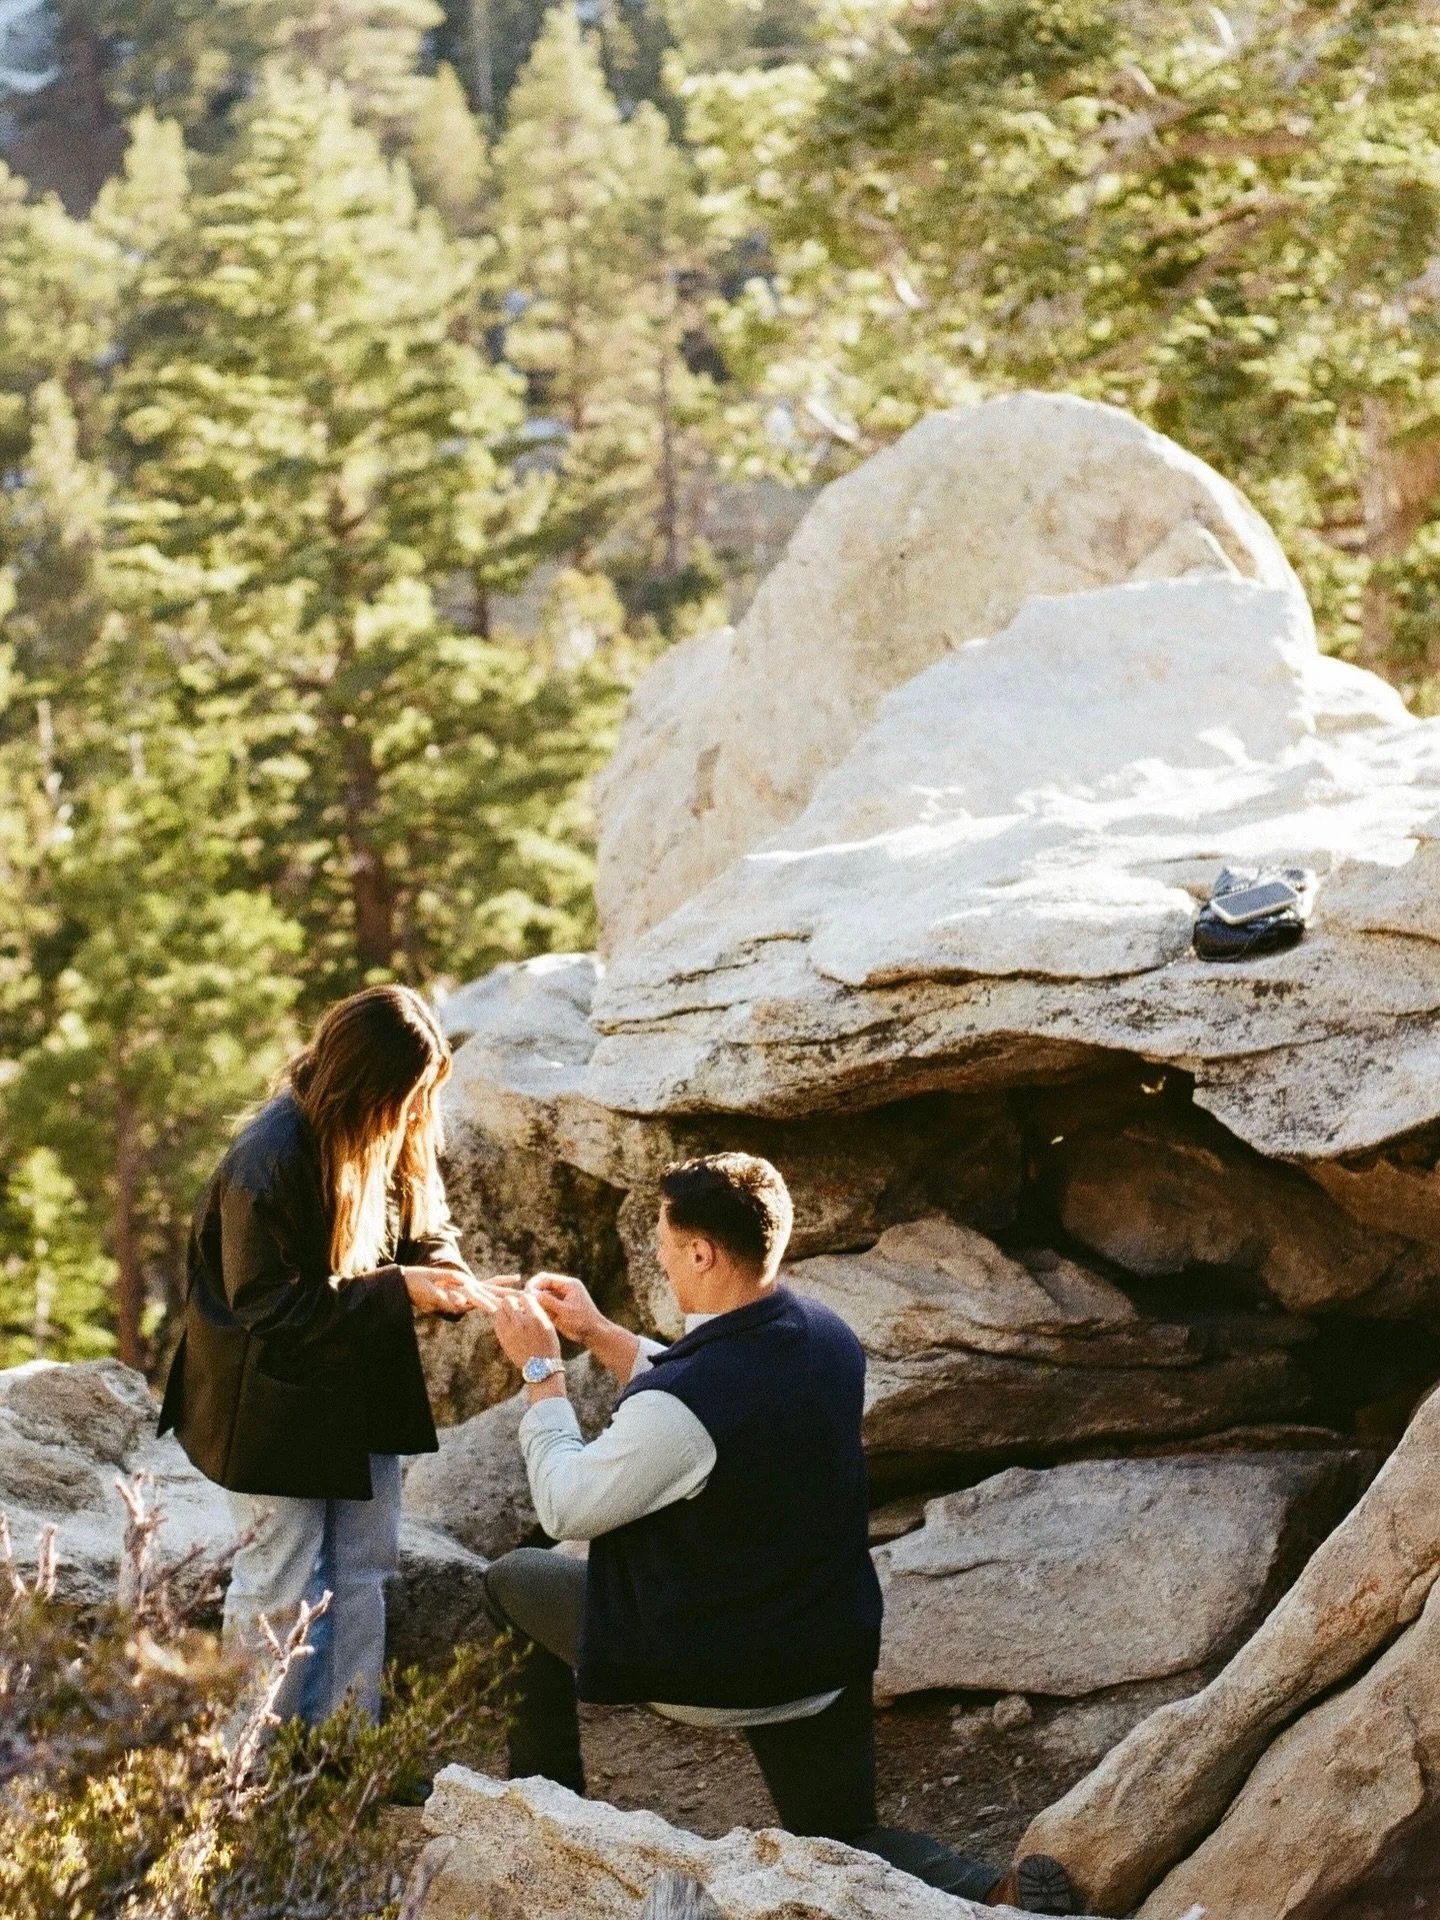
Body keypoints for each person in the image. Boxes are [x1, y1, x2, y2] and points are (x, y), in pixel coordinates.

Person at [473, 1152, 1077, 1915]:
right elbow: (715, 1409)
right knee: (843, 1832)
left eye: (663, 1240)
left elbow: (568, 1505)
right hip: (822, 1651)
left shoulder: (683, 1407)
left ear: (702, 1252)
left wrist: (541, 1374)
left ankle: (548, 1807)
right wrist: (600, 1333)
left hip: (711, 1662)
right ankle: (996, 1893)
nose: (658, 1256)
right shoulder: (825, 1336)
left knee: (511, 1578)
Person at [159, 984, 489, 1727]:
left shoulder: (391, 1125)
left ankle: (345, 1753)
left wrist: (445, 1272)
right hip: (272, 1399)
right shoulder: (266, 1160)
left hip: (360, 1389)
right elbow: (270, 1308)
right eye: (405, 1099)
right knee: (279, 1579)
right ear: (362, 1085)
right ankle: (249, 1773)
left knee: (362, 1572)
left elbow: (423, 1224)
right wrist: (397, 1289)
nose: (414, 1118)